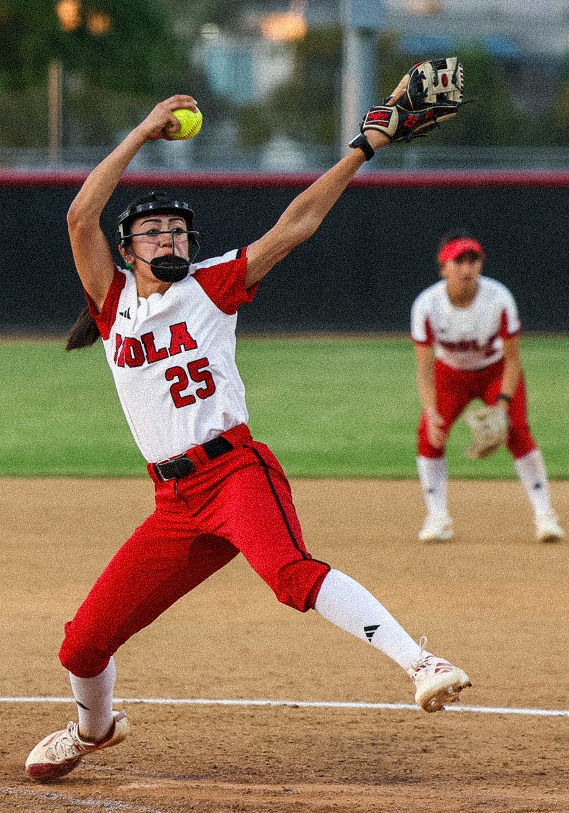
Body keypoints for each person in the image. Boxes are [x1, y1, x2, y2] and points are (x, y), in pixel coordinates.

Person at [24, 92, 471, 783]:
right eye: (152, 232)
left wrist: (363, 147)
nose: (168, 239)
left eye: (176, 230)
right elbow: (80, 213)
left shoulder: (212, 285)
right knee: (81, 646)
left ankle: (422, 662)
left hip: (234, 474)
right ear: (127, 249)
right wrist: (142, 129)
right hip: (173, 503)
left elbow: (297, 223)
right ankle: (93, 729)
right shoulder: (112, 303)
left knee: (289, 574)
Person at [410, 231, 565, 545]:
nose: (467, 268)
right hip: (450, 374)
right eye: (459, 261)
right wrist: (431, 410)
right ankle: (437, 518)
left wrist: (503, 406)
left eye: (473, 260)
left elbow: (512, 360)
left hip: (495, 371)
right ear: (443, 268)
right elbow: (424, 369)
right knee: (430, 433)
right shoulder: (427, 305)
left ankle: (545, 516)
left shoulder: (498, 298)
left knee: (517, 430)